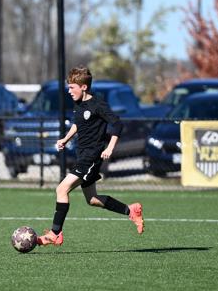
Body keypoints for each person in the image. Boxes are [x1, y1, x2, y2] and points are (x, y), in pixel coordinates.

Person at [37, 66, 144, 247]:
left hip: (92, 157)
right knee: (92, 199)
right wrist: (65, 139)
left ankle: (55, 233)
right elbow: (78, 124)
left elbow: (117, 124)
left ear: (84, 87)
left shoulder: (98, 104)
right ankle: (131, 210)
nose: (69, 91)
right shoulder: (79, 104)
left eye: (72, 87)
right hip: (83, 156)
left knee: (61, 189)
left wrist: (110, 148)